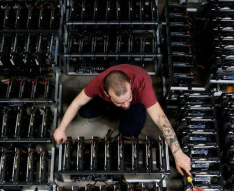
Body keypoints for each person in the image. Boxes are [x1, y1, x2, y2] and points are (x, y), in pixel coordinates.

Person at [53, 64, 191, 175]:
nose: (125, 105)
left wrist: (178, 153)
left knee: (129, 129)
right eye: (120, 102)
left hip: (137, 104)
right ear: (107, 93)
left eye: (127, 98)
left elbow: (161, 120)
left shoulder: (142, 85)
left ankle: (128, 112)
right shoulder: (97, 84)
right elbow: (77, 103)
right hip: (107, 101)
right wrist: (61, 128)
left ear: (130, 85)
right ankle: (112, 106)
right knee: (85, 111)